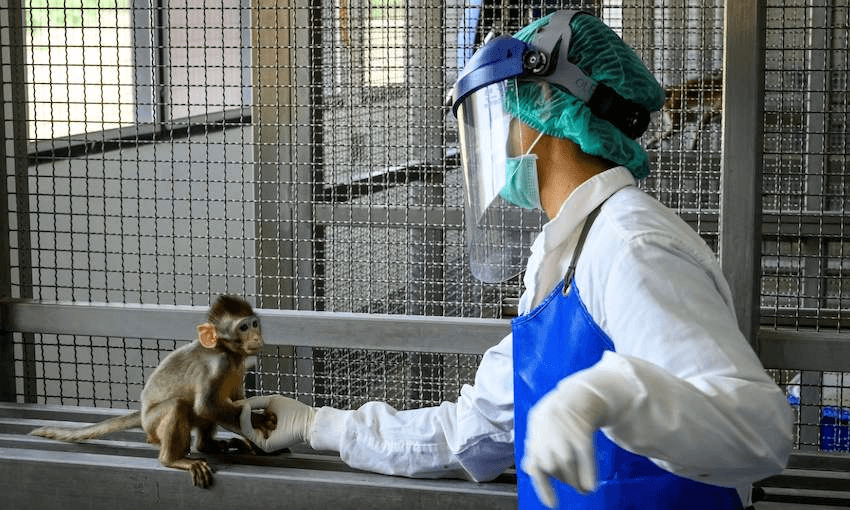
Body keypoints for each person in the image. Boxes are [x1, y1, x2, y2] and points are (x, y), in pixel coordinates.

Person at [238, 10, 792, 509]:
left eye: (507, 110)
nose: (502, 135)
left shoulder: (631, 246)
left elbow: (757, 430)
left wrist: (609, 395)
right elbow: (478, 429)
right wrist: (318, 426)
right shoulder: (562, 251)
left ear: (548, 105)